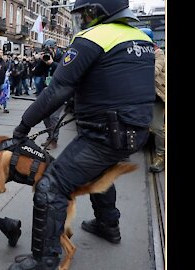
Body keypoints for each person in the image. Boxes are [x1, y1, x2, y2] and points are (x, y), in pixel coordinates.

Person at [9, 1, 155, 269]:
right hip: (134, 131)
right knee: (98, 172)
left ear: (103, 11)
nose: (83, 19)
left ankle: (45, 259)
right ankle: (108, 224)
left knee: (50, 187)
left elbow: (57, 89)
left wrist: (23, 126)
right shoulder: (139, 37)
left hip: (103, 134)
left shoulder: (94, 37)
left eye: (87, 13)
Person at [141, 27, 165, 173]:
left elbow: (154, 72)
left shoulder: (158, 53)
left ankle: (161, 156)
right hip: (141, 96)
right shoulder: (138, 54)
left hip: (156, 96)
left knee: (156, 127)